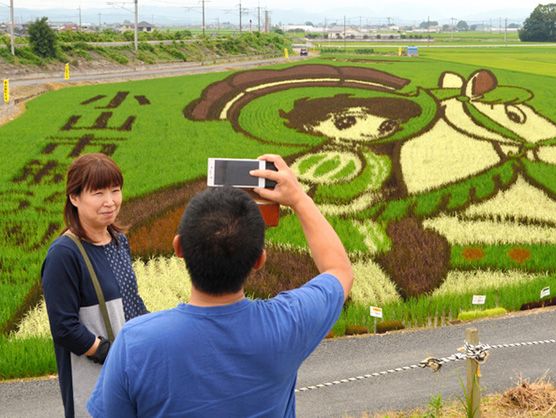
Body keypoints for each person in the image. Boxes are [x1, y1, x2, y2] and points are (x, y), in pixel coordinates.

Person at [86, 154, 353, 417]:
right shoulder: (289, 323)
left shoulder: (135, 342)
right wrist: (298, 198)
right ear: (259, 260)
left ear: (178, 247)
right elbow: (339, 271)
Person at [42, 153, 148, 418]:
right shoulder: (64, 254)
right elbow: (64, 328)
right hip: (93, 378)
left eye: (115, 190)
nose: (110, 202)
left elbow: (131, 302)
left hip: (127, 373)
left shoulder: (119, 241)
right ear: (74, 197)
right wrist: (108, 353)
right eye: (98, 193)